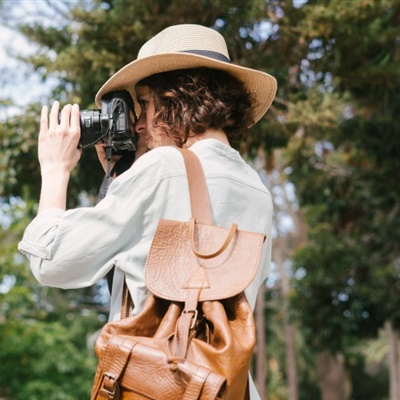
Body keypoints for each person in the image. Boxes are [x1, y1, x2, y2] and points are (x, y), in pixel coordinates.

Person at [18, 24, 277, 399]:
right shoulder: (257, 189)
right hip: (227, 388)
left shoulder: (162, 170)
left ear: (177, 99)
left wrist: (56, 170)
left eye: (146, 104)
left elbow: (52, 262)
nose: (139, 123)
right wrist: (121, 177)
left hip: (160, 384)